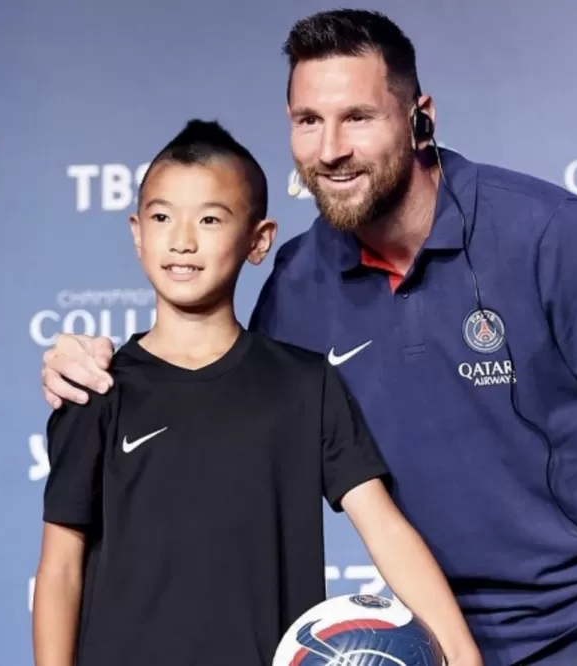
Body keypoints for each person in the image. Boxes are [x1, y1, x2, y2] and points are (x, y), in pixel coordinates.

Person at [39, 10, 577, 666]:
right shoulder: (298, 282)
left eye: (357, 118)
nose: (330, 150)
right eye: (309, 122)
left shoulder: (546, 232)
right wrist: (87, 360)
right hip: (424, 631)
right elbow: (217, 393)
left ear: (421, 117)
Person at [31, 118, 482, 666]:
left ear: (259, 240)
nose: (182, 240)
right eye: (162, 216)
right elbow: (59, 567)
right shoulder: (95, 388)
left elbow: (383, 526)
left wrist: (461, 654)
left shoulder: (305, 383)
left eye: (211, 218)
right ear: (136, 232)